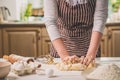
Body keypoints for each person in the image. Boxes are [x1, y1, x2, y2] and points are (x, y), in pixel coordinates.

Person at [44, 0, 108, 66]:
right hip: (60, 51)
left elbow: (100, 18)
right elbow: (50, 21)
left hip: (90, 49)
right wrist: (64, 56)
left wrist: (91, 54)